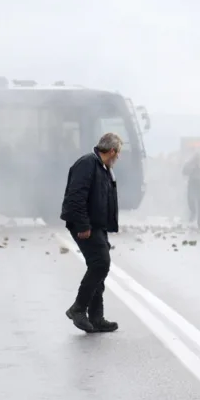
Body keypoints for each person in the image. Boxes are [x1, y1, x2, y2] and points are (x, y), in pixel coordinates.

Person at [60, 133, 122, 333]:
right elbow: (75, 196)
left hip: (97, 225)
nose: (118, 157)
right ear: (112, 151)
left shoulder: (102, 167)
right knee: (100, 264)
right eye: (118, 153)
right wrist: (83, 225)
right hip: (86, 225)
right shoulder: (87, 163)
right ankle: (78, 309)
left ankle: (96, 318)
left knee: (99, 268)